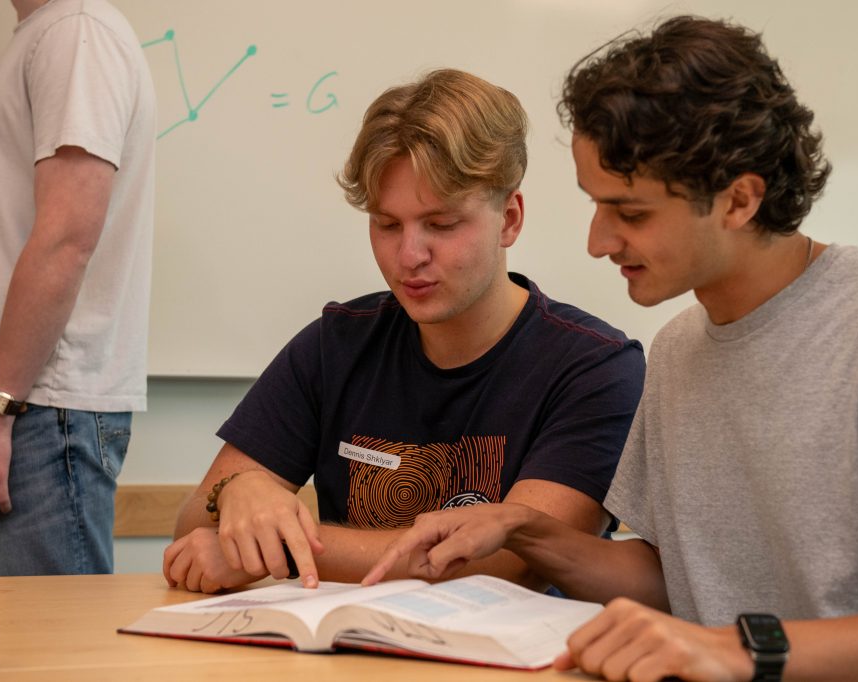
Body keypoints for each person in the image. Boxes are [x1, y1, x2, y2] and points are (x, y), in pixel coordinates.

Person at [363, 16, 858, 681]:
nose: (598, 241)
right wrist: (525, 530)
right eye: (595, 205)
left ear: (739, 199)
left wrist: (738, 650)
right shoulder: (677, 351)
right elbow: (677, 580)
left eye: (630, 213)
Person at [162, 68, 645, 594]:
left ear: (509, 218)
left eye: (441, 224)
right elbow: (194, 532)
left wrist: (276, 548)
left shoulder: (596, 367)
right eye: (387, 224)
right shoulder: (334, 346)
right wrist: (239, 492)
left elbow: (514, 561)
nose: (409, 256)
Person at [0, 0, 156, 576]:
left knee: (52, 659)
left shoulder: (79, 33)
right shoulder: (44, 36)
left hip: (30, 411)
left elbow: (67, 239)